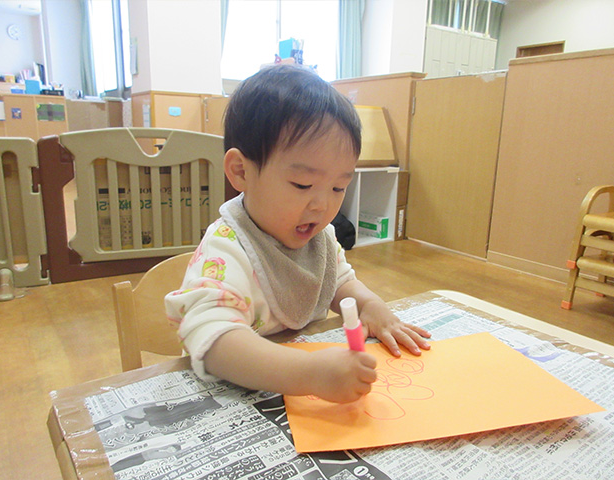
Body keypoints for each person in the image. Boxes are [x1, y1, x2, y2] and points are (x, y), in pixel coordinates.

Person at [165, 65, 431, 404]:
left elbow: (337, 281)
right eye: (303, 185)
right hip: (241, 396)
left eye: (338, 187)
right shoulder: (226, 248)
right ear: (241, 171)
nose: (322, 205)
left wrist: (371, 305)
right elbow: (215, 342)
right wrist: (308, 373)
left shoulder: (320, 237)